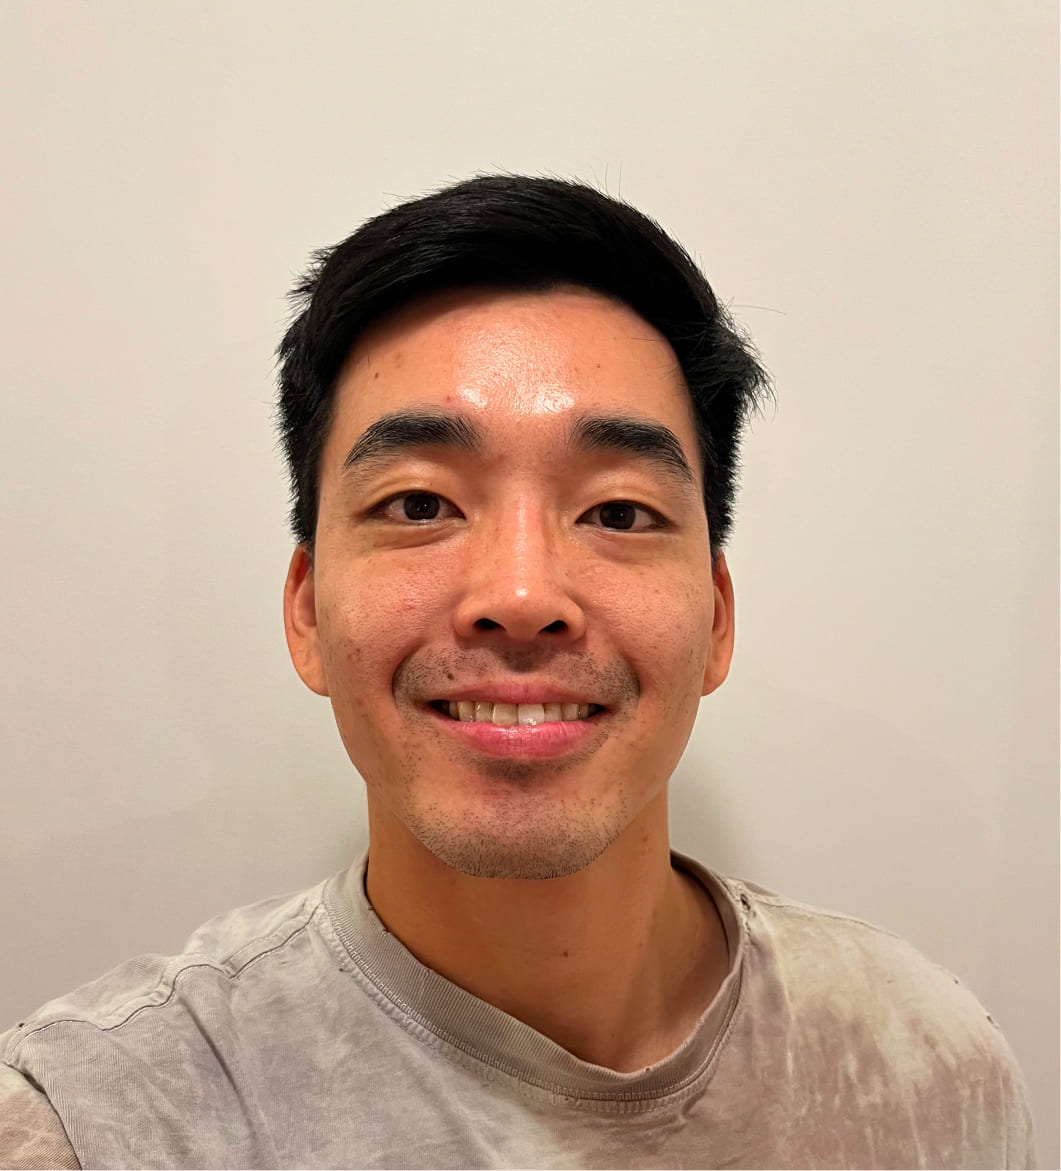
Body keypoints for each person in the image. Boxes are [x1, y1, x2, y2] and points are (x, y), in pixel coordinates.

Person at [0, 175, 1036, 1170]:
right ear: (307, 608)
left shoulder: (925, 1064)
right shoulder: (105, 1122)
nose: (522, 592)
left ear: (715, 618)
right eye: (418, 505)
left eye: (617, 512)